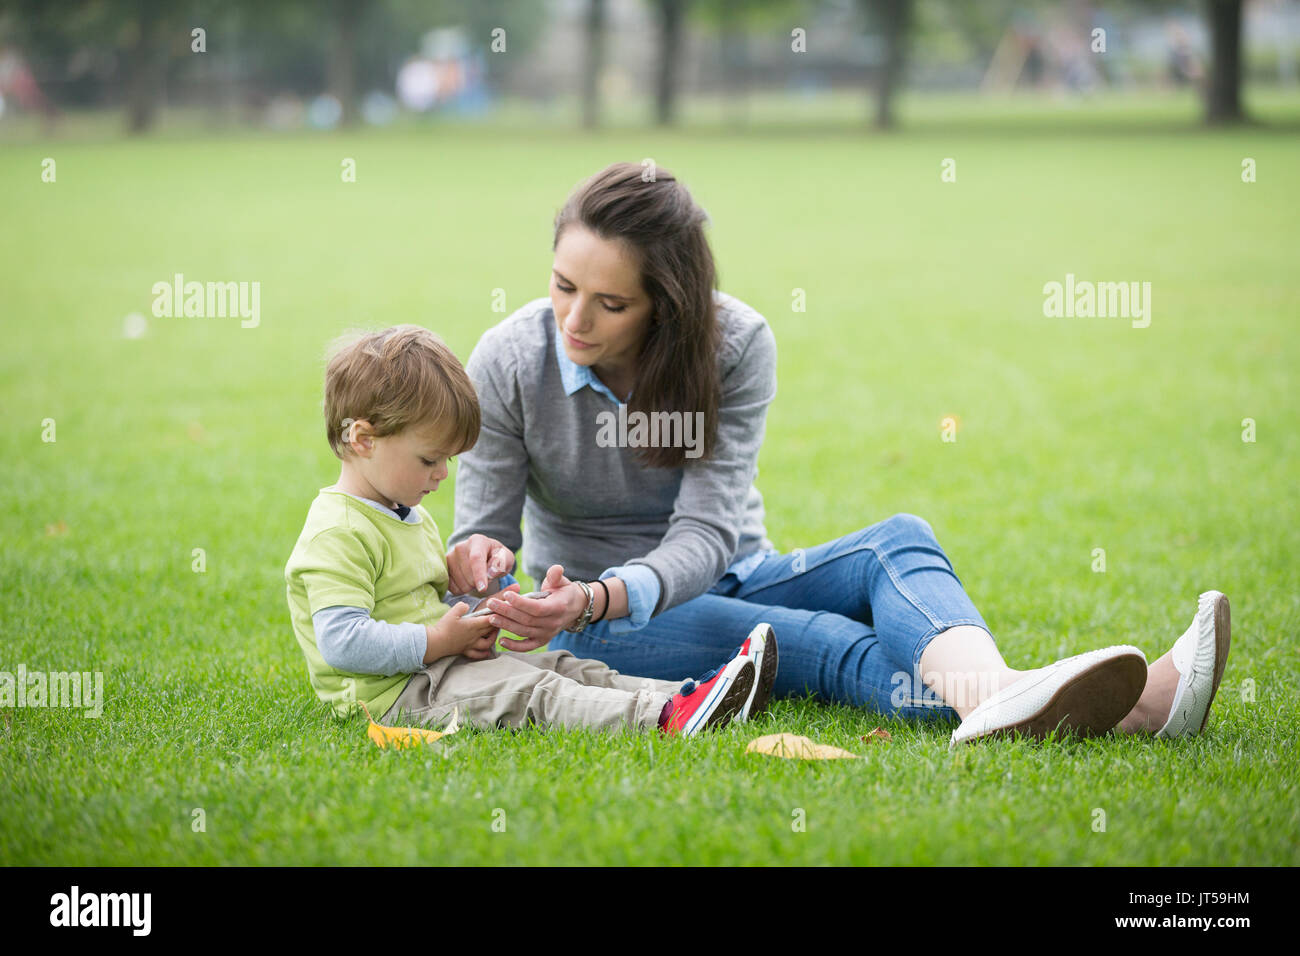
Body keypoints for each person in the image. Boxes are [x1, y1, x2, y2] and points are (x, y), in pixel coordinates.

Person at [446, 161, 1232, 748]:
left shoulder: (734, 343)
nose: (573, 319)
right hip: (584, 613)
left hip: (731, 567)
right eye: (561, 287)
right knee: (823, 645)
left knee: (899, 539)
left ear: (667, 306)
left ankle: (997, 696)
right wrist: (486, 561)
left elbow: (709, 535)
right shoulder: (510, 360)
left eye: (610, 303)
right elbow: (480, 530)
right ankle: (1137, 707)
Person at [283, 324, 778, 737]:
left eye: (449, 460)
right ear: (363, 439)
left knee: (563, 666)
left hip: (437, 669)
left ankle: (698, 696)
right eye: (430, 459)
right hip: (394, 695)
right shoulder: (338, 531)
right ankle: (666, 719)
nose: (442, 475)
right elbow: (343, 641)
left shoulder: (406, 512)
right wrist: (439, 640)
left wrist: (481, 613)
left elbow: (422, 610)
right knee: (533, 691)